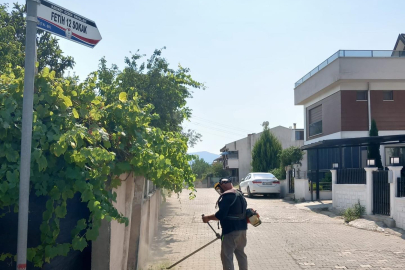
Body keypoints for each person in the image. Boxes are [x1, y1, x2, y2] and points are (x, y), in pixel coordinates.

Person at [202, 178, 248, 270]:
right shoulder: (239, 194)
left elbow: (220, 215)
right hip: (242, 230)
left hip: (230, 231)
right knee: (241, 254)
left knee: (226, 256)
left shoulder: (227, 196)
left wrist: (207, 218)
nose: (220, 190)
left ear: (223, 184)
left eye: (219, 188)